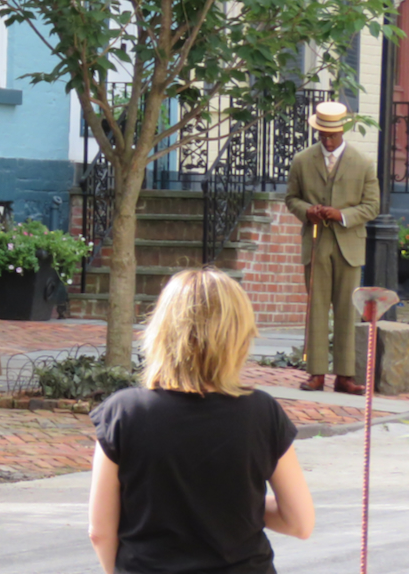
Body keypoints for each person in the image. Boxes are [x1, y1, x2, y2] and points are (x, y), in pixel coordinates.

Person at [88, 267, 314, 574]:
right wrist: (235, 507)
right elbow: (300, 522)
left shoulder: (124, 413)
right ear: (238, 336)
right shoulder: (262, 412)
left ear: (162, 331)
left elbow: (100, 531)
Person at [284, 100, 379, 395]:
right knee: (316, 308)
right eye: (322, 135)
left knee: (346, 310)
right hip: (315, 242)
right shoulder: (302, 160)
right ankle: (316, 373)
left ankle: (345, 376)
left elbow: (372, 206)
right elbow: (291, 198)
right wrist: (307, 211)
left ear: (342, 131)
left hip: (349, 244)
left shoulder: (363, 163)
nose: (327, 141)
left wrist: (342, 215)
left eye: (332, 136)